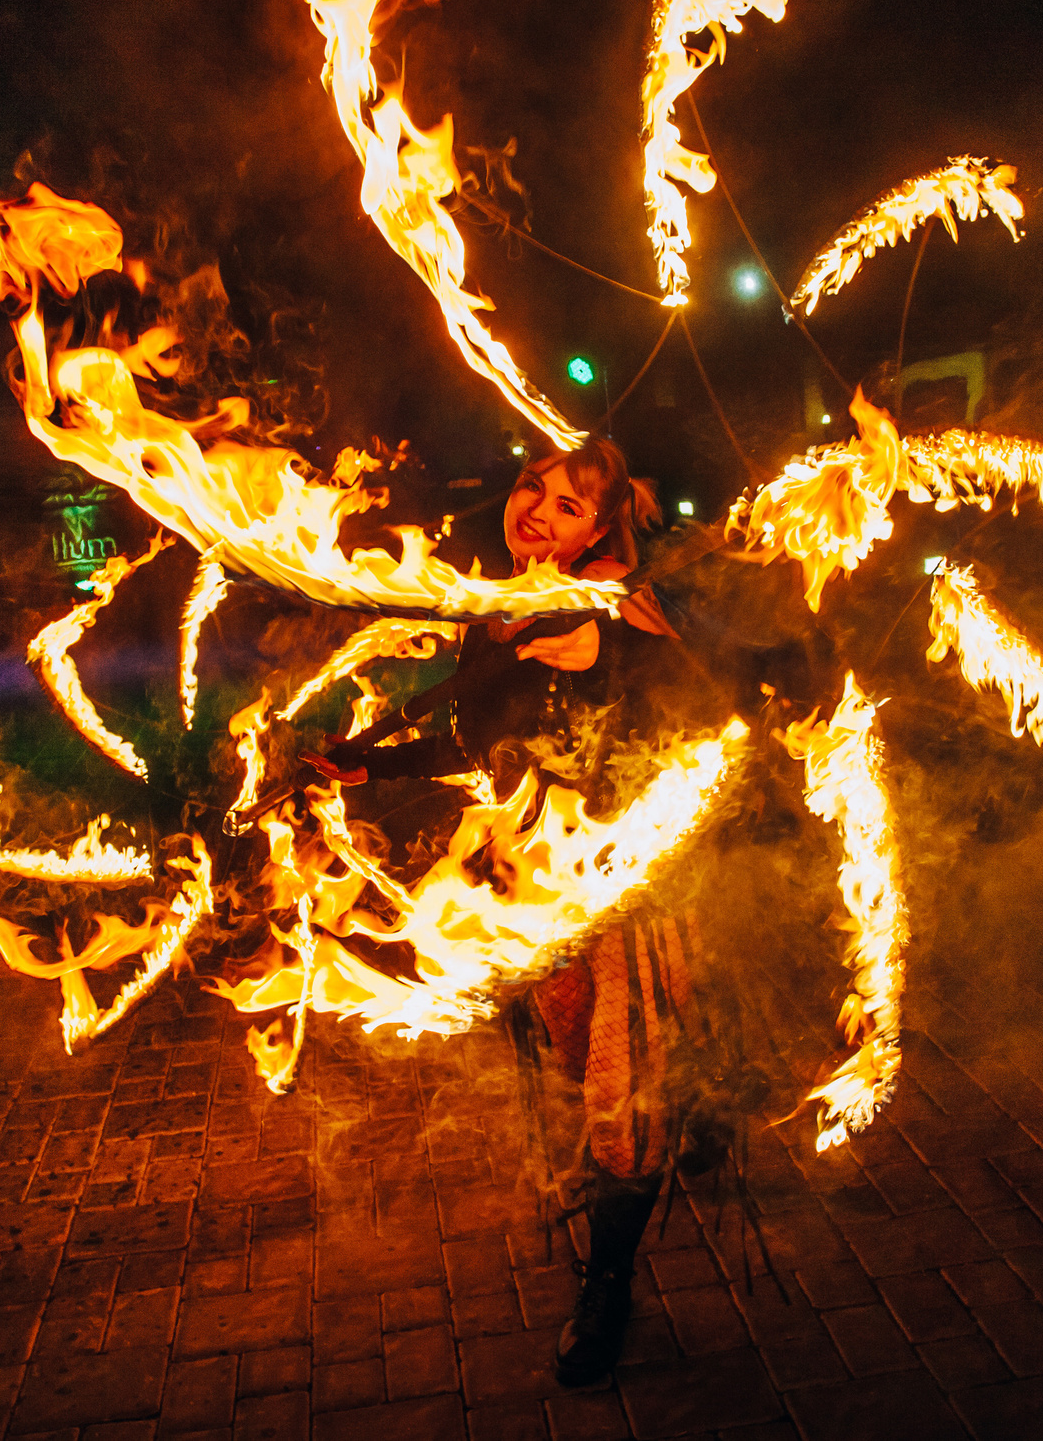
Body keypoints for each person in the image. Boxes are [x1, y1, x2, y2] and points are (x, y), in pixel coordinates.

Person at [306, 439, 708, 1387]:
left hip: (628, 887)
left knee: (626, 1107)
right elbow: (476, 747)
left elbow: (700, 686)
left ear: (601, 534)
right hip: (534, 888)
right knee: (586, 1072)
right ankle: (693, 1109)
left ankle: (608, 1287)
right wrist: (375, 765)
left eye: (571, 507)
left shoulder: (621, 602)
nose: (540, 510)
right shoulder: (490, 611)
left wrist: (616, 647)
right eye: (536, 487)